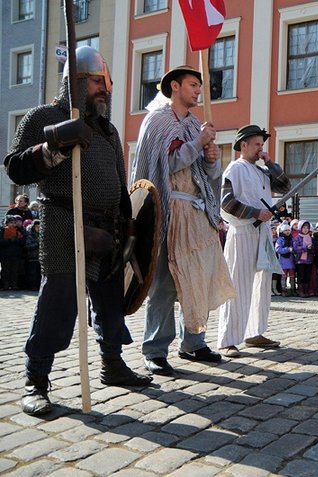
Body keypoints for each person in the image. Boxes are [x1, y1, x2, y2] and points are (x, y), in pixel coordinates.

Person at [5, 46, 152, 415]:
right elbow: (16, 169)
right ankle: (35, 381)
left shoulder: (108, 130)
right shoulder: (44, 116)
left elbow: (120, 183)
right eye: (96, 82)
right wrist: (55, 143)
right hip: (64, 221)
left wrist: (128, 222)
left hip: (109, 226)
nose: (104, 89)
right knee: (58, 303)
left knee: (110, 302)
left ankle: (113, 364)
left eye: (107, 83)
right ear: (75, 82)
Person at [129, 65, 235, 374]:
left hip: (196, 213)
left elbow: (204, 175)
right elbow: (169, 164)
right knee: (163, 282)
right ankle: (155, 349)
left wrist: (213, 161)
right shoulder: (158, 121)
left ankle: (194, 342)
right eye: (192, 84)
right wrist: (199, 144)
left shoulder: (194, 126)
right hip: (167, 210)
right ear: (174, 86)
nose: (198, 90)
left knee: (197, 279)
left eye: (199, 86)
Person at [216, 124, 291, 355]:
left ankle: (254, 332)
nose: (260, 148)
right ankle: (228, 339)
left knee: (261, 286)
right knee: (238, 286)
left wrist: (269, 162)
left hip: (263, 234)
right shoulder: (234, 169)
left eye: (262, 144)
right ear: (243, 145)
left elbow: (284, 185)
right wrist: (255, 212)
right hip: (242, 233)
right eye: (257, 144)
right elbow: (226, 203)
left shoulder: (262, 171)